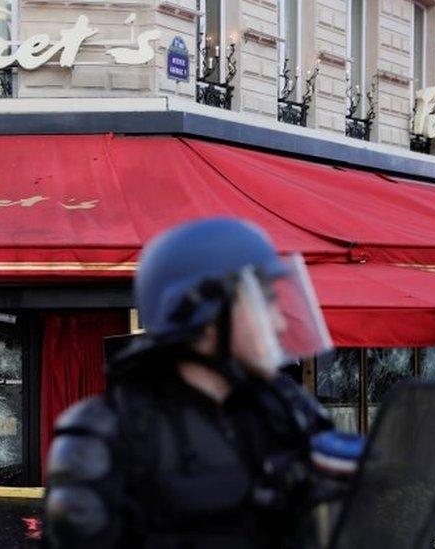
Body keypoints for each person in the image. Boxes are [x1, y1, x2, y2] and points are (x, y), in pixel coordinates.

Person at [44, 217, 359, 549]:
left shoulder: (286, 409)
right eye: (263, 301)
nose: (280, 323)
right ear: (205, 316)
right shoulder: (106, 434)